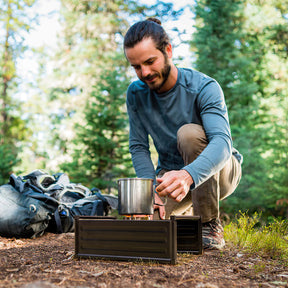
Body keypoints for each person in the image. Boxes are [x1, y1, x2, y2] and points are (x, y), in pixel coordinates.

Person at [123, 17, 242, 250]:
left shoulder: (203, 87)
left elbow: (222, 143)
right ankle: (187, 215)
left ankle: (209, 223)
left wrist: (187, 176)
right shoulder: (135, 94)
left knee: (189, 134)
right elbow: (138, 145)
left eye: (150, 62)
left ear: (168, 50)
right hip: (170, 176)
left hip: (220, 172)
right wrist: (149, 190)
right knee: (148, 230)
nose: (144, 72)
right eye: (136, 67)